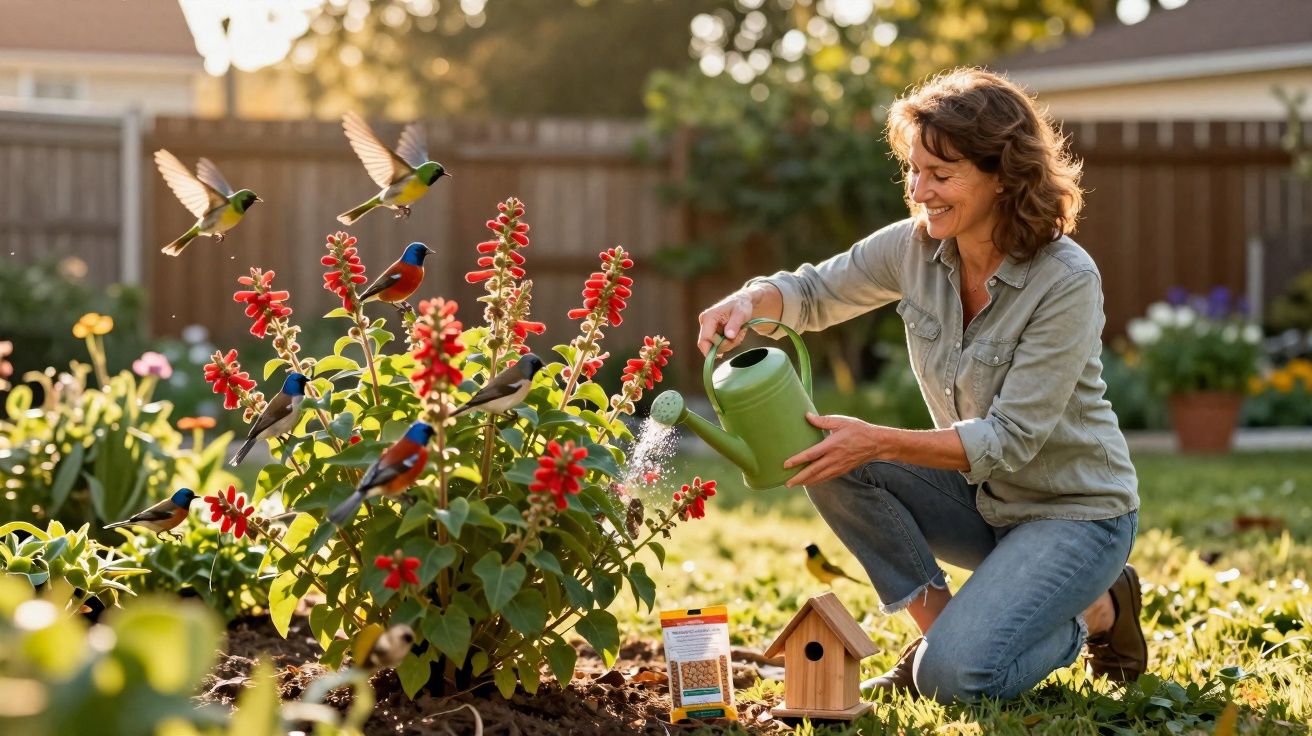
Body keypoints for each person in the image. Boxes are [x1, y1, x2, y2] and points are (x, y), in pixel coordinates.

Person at [695, 67, 1145, 704]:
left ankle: (1096, 609)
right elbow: (814, 292)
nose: (918, 189)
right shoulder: (914, 249)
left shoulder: (1065, 279)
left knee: (956, 681)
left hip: (1074, 515)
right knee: (823, 456)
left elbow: (1011, 439)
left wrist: (877, 441)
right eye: (913, 169)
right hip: (983, 503)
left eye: (940, 173)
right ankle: (941, 636)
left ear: (1002, 174)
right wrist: (748, 300)